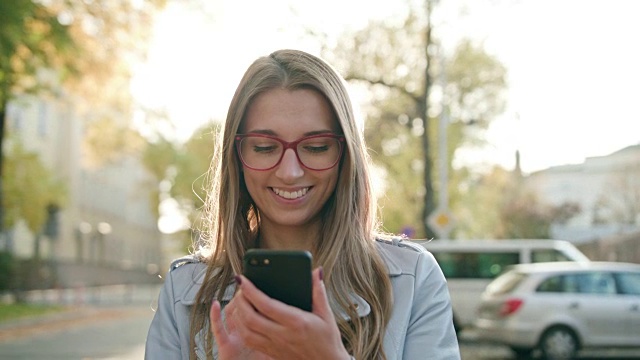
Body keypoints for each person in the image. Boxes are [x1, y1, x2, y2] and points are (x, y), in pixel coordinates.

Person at [145, 49, 460, 360]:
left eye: (316, 147)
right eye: (265, 148)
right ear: (237, 158)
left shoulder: (412, 280)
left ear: (346, 157)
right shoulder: (185, 290)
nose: (290, 172)